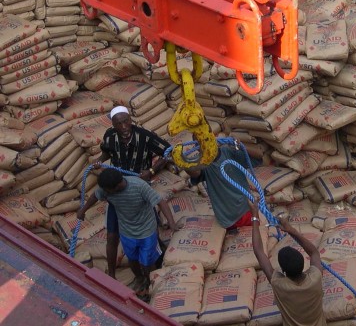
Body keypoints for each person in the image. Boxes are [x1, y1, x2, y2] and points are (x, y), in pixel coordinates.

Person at [94, 106, 171, 279]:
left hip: (139, 188)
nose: (123, 127)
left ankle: (158, 265)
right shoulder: (110, 136)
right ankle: (112, 275)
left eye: (126, 122)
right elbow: (106, 152)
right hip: (117, 189)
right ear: (113, 125)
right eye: (118, 124)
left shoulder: (144, 136)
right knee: (112, 234)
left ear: (131, 120)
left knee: (149, 228)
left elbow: (168, 152)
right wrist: (99, 161)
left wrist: (151, 171)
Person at [77, 168, 178, 298]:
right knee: (132, 259)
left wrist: (172, 223)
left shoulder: (139, 186)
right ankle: (140, 278)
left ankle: (150, 283)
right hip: (127, 232)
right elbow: (95, 196)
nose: (106, 194)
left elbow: (161, 202)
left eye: (108, 191)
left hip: (146, 231)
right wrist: (82, 210)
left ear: (118, 185)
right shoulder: (106, 190)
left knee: (147, 261)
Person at [250, 201, 327, 326]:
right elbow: (314, 253)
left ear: (283, 272)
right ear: (304, 265)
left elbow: (258, 251)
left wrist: (254, 216)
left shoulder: (279, 284)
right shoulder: (315, 278)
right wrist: (291, 230)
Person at [184, 142, 252, 230]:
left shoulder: (228, 151)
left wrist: (238, 144)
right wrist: (183, 163)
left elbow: (258, 155)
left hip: (245, 211)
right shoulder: (203, 164)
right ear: (197, 148)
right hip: (226, 219)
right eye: (199, 144)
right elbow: (195, 173)